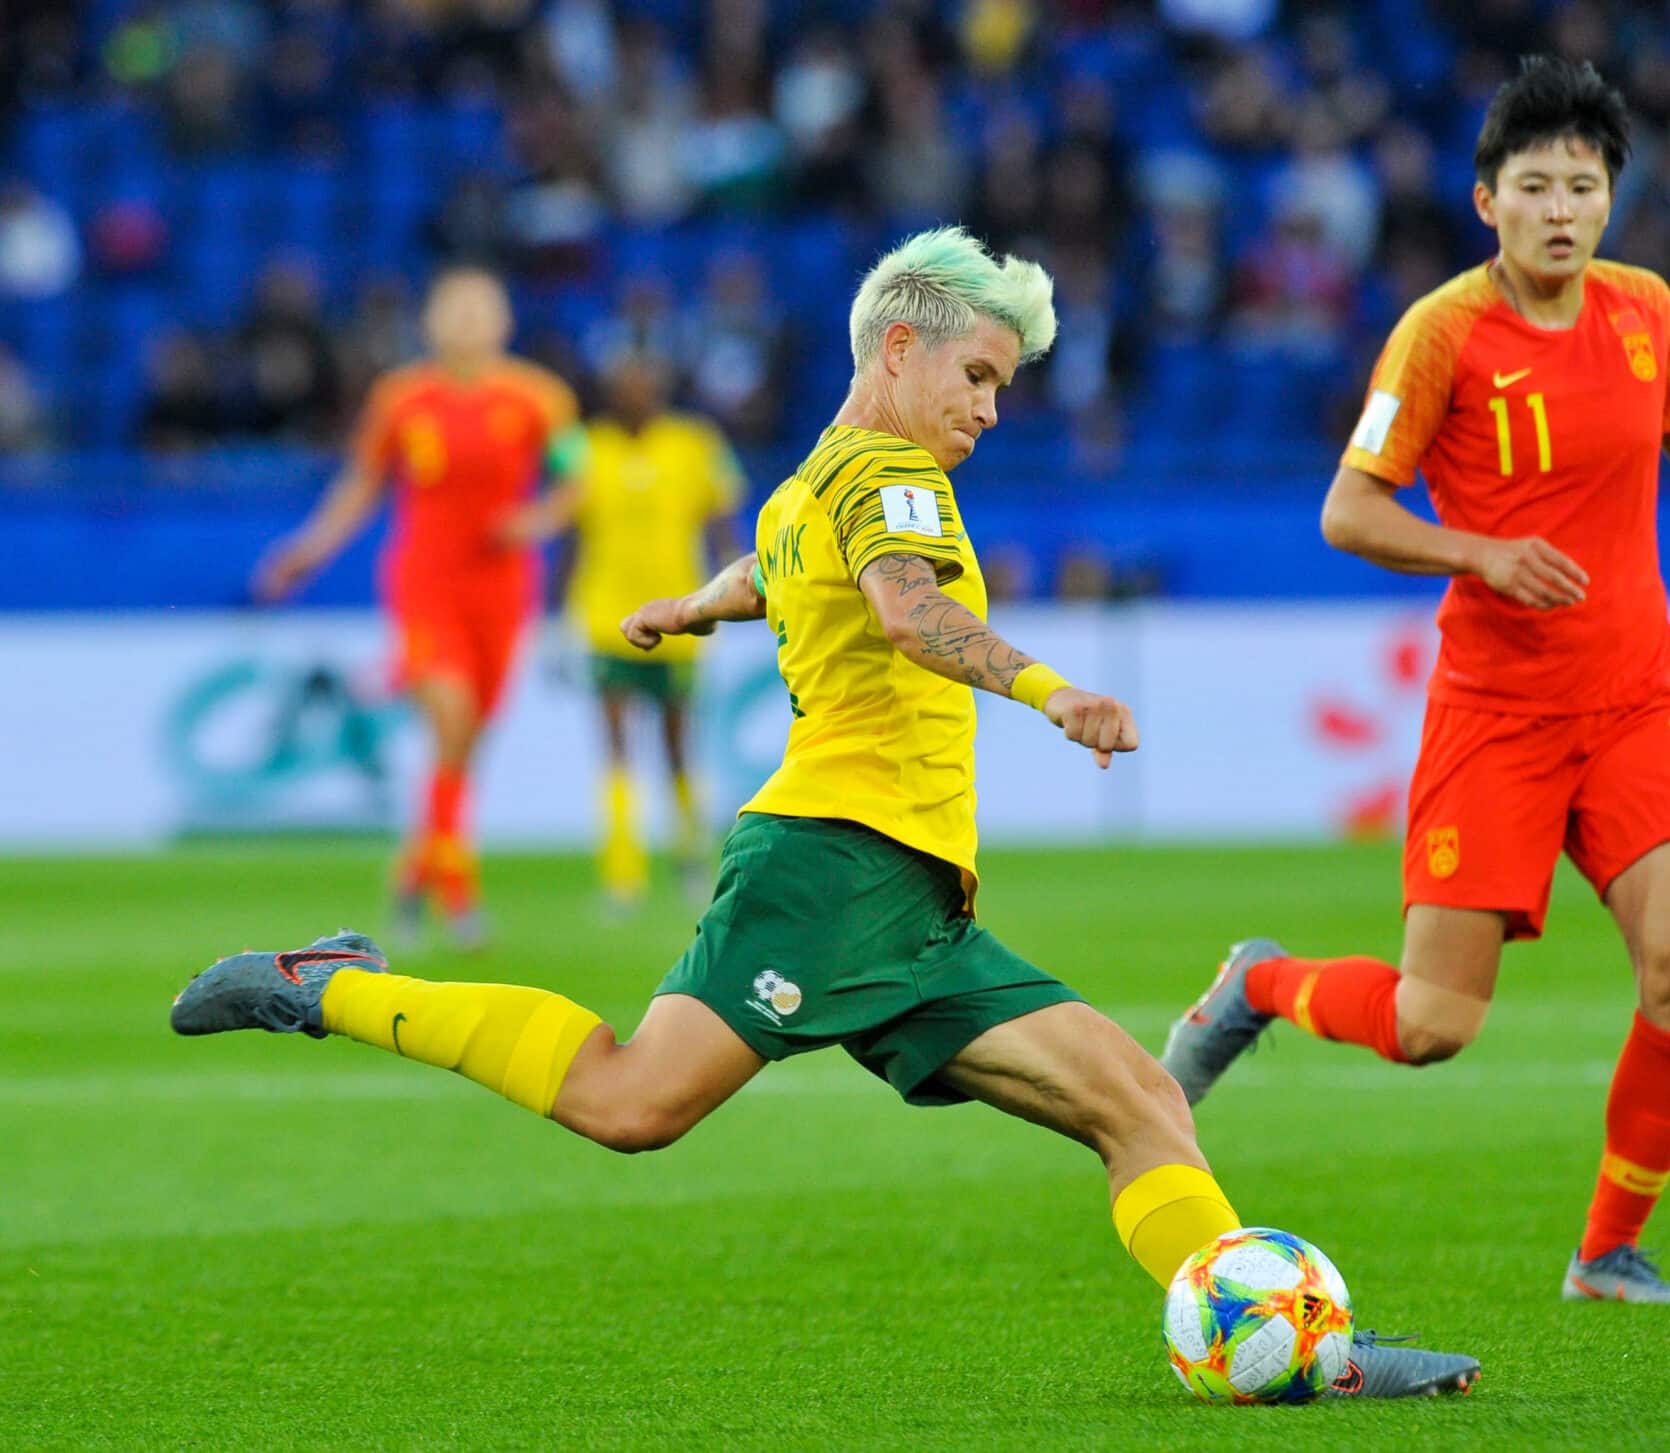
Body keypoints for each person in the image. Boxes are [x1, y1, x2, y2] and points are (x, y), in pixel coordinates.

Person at [174, 228, 1476, 1399]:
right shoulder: (893, 478)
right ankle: (326, 985)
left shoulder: (814, 483)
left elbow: (784, 568)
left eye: (1001, 388)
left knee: (1139, 1102)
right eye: (977, 374)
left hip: (912, 904)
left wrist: (695, 604)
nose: (987, 407)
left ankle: (1307, 1358)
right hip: (830, 867)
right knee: (635, 1101)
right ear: (897, 347)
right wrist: (1049, 687)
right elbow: (907, 609)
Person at [1162, 58, 1670, 1305]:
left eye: (1583, 184)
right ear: (1484, 201)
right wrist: (1478, 550)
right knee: (1429, 1027)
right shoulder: (1444, 331)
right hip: (1495, 714)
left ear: (1609, 197)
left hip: (1631, 700)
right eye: (1534, 186)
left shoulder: (1644, 312)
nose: (1561, 208)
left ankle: (1606, 1251)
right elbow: (1347, 509)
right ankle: (1259, 983)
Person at [254, 266, 582, 949]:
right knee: (452, 716)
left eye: (479, 308)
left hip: (502, 590)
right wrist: (309, 548)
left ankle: (414, 870)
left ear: (503, 320)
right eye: (453, 308)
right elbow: (363, 482)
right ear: (431, 320)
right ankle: (459, 894)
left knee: (465, 742)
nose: (466, 321)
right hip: (426, 583)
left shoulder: (540, 398)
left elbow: (576, 481)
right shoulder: (402, 398)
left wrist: (538, 518)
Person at [508, 354, 746, 908]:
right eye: (625, 385)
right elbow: (567, 536)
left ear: (662, 388)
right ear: (609, 391)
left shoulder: (695, 443)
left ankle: (690, 857)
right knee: (615, 745)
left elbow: (720, 524)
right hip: (605, 617)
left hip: (682, 615)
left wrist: (737, 589)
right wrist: (549, 619)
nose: (636, 394)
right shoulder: (582, 447)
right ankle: (622, 871)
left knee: (678, 744)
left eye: (646, 384)